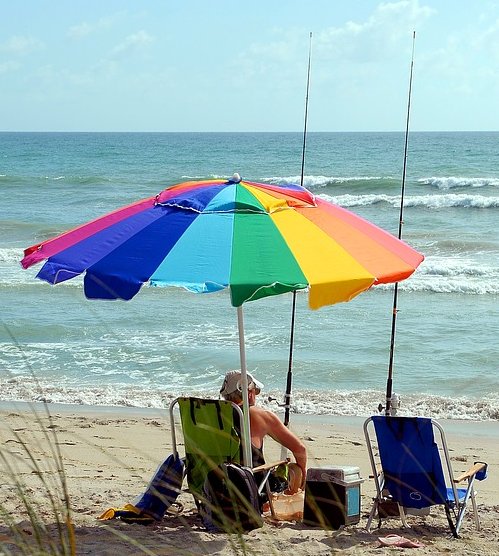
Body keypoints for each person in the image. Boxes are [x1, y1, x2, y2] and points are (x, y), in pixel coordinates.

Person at [220, 369, 307, 487]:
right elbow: (300, 449)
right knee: (294, 471)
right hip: (250, 486)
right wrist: (303, 476)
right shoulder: (259, 415)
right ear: (249, 393)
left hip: (213, 484)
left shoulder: (211, 413)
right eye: (255, 391)